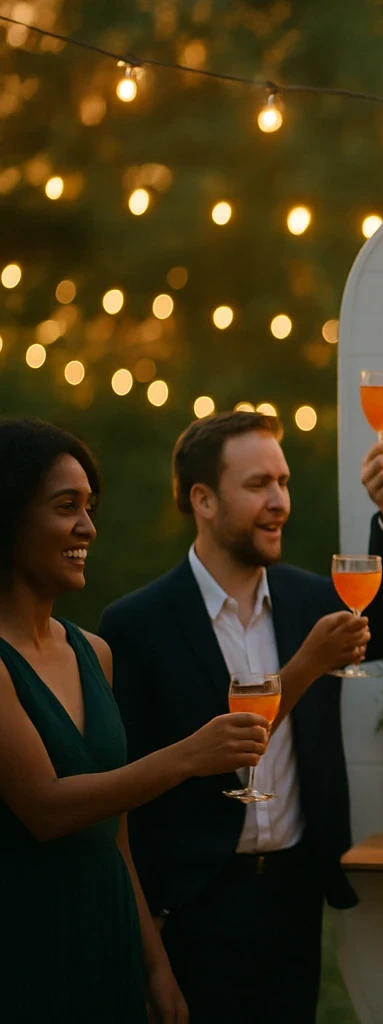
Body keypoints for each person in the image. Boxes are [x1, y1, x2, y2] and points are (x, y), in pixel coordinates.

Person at [100, 411, 383, 1023]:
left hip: (295, 894)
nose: (280, 502)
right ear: (203, 499)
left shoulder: (311, 599)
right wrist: (150, 944)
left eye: (284, 481)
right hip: (194, 905)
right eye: (258, 486)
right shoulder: (134, 626)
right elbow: (132, 794)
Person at [0, 417, 270, 1023]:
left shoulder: (94, 653)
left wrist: (155, 967)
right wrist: (188, 757)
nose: (87, 527)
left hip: (110, 938)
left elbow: (115, 835)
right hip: (26, 946)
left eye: (90, 506)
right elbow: (47, 808)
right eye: (65, 506)